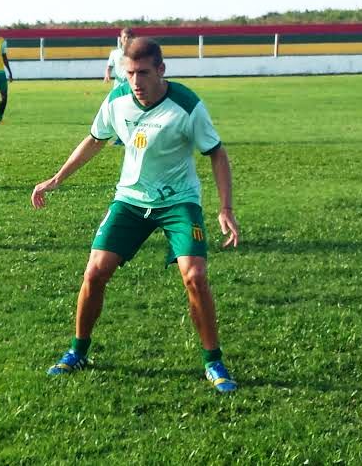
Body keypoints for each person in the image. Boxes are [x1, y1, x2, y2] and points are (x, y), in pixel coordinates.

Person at [31, 38, 241, 393]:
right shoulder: (117, 101)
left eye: (143, 73)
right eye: (130, 74)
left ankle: (213, 362)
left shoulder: (186, 106)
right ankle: (77, 351)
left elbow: (216, 153)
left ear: (161, 70)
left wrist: (225, 208)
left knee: (195, 275)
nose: (137, 82)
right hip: (130, 201)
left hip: (178, 202)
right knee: (95, 272)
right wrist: (57, 178)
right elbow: (95, 139)